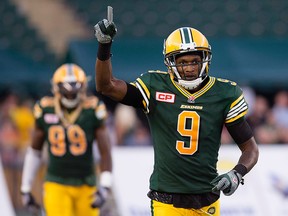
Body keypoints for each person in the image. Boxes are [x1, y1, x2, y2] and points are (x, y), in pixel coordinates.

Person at [94, 17, 259, 216]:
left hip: (208, 199)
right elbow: (106, 86)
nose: (189, 68)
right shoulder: (155, 86)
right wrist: (104, 46)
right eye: (183, 63)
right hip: (167, 202)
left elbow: (250, 148)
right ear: (170, 63)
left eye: (195, 62)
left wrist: (237, 173)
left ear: (205, 60)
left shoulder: (224, 93)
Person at [20, 63, 112, 216]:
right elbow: (34, 151)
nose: (70, 95)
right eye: (66, 92)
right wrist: (25, 188)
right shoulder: (45, 109)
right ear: (56, 89)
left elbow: (105, 151)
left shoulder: (92, 109)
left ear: (82, 88)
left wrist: (105, 185)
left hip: (86, 184)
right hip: (56, 182)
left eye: (74, 92)